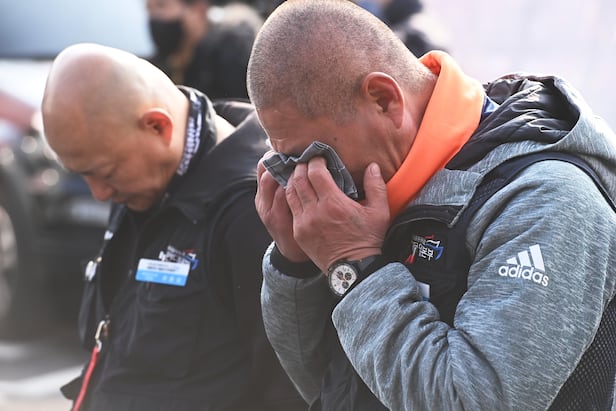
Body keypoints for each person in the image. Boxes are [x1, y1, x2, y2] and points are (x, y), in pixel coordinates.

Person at [247, 1, 616, 410]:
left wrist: (354, 264)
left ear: (384, 100)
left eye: (314, 155)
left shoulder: (547, 199)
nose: (304, 177)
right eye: (287, 161)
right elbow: (329, 385)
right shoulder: (379, 184)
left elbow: (471, 401)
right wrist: (296, 265)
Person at [41, 43, 306, 411]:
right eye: (84, 175)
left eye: (106, 173)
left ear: (158, 126)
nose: (99, 194)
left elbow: (288, 392)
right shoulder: (144, 183)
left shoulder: (251, 210)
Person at [147, 0, 262, 99]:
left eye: (161, 6)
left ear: (198, 10)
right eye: (149, 9)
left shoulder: (232, 53)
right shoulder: (160, 63)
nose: (154, 17)